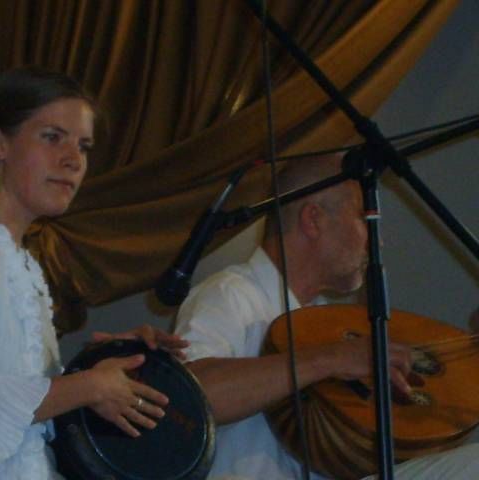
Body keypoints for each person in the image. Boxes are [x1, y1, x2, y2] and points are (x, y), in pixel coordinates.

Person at [0, 66, 187, 479]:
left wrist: (106, 361)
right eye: (52, 137)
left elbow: (28, 404)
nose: (73, 160)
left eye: (83, 146)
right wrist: (91, 385)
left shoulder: (14, 257)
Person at [173, 154, 479, 479]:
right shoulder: (232, 293)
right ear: (313, 219)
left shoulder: (327, 320)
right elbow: (187, 399)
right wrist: (331, 358)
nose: (377, 240)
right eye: (363, 217)